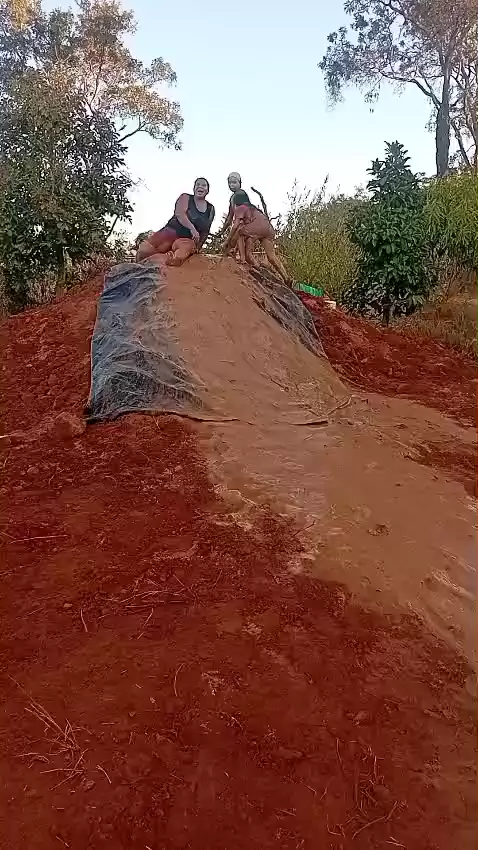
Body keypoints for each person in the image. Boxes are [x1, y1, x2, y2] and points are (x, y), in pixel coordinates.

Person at [136, 178, 215, 266]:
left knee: (181, 253)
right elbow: (180, 214)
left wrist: (198, 247)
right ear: (194, 188)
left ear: (207, 190)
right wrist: (192, 229)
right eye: (198, 184)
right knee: (143, 251)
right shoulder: (185, 197)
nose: (200, 187)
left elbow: (206, 230)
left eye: (204, 185)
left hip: (186, 240)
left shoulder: (210, 209)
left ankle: (170, 261)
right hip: (170, 233)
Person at [223, 190, 291, 285]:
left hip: (257, 227)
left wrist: (227, 241)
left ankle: (242, 259)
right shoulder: (253, 208)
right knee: (271, 256)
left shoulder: (240, 208)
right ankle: (286, 277)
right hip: (268, 229)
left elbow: (235, 226)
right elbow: (248, 234)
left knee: (239, 231)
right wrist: (236, 248)